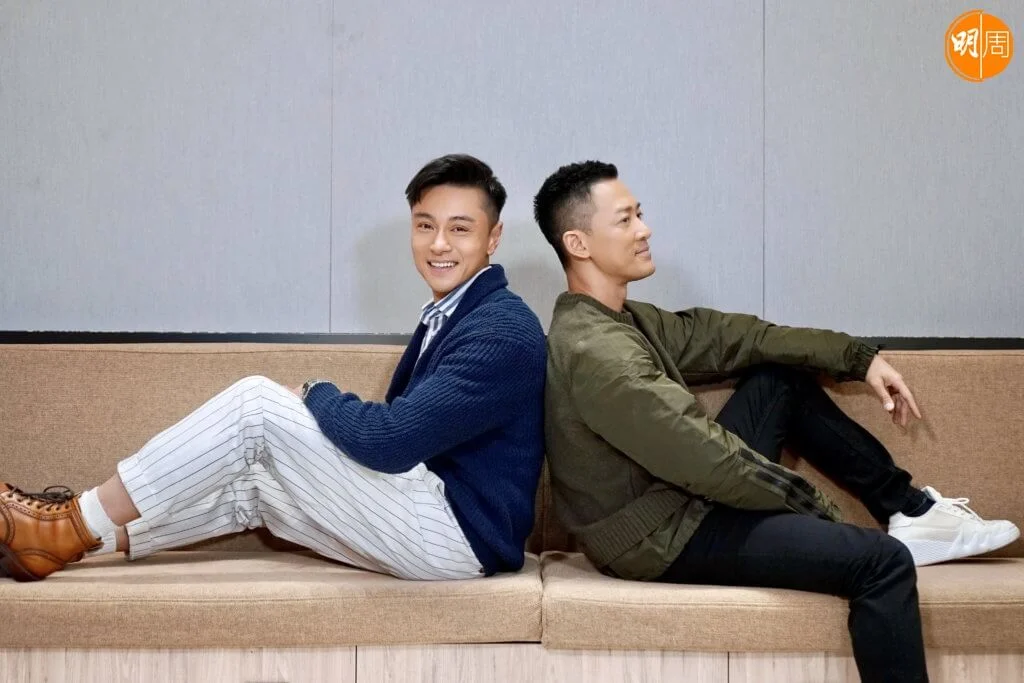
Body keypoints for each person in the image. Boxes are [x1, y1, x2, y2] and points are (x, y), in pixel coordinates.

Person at [533, 160, 1020, 682]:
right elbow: (706, 458)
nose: (645, 229)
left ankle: (909, 509)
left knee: (778, 378)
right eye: (625, 219)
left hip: (679, 503)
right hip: (658, 539)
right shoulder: (598, 352)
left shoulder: (626, 321)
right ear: (578, 244)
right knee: (882, 563)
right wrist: (818, 511)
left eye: (640, 214)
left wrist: (859, 358)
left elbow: (737, 338)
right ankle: (900, 532)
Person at [0, 154, 546, 583]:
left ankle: (67, 524)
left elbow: (391, 441)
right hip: (438, 516)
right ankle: (72, 544)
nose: (438, 244)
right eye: (425, 225)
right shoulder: (455, 313)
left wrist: (313, 391)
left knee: (256, 406)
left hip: (459, 536)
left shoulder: (501, 329)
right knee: (257, 486)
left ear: (493, 237)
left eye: (459, 229)